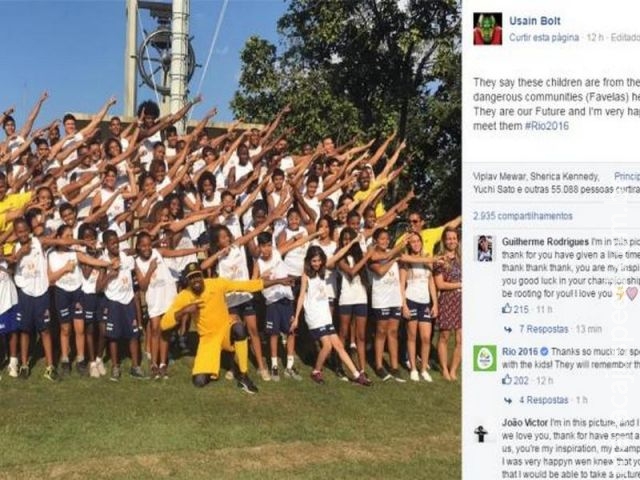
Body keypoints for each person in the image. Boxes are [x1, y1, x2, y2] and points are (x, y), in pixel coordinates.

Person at [160, 262, 292, 394]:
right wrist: (184, 310)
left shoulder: (216, 284)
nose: (195, 280)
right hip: (208, 339)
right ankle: (223, 363)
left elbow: (247, 285)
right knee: (199, 381)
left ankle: (243, 376)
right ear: (188, 280)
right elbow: (164, 324)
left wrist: (278, 281)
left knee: (239, 328)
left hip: (225, 330)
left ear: (202, 275)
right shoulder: (185, 295)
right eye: (191, 277)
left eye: (197, 276)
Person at [291, 246, 371, 386]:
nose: (317, 263)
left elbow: (337, 255)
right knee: (327, 346)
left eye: (319, 260)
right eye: (314, 261)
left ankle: (357, 375)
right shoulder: (306, 276)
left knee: (339, 345)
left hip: (324, 314)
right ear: (309, 261)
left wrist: (352, 242)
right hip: (314, 316)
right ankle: (316, 371)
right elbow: (302, 296)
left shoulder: (324, 270)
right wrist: (297, 317)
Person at [98, 230, 145, 381]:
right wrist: (109, 275)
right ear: (105, 245)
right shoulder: (104, 261)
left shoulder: (126, 258)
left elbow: (134, 269)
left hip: (128, 300)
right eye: (112, 243)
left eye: (117, 242)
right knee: (113, 337)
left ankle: (135, 366)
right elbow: (98, 288)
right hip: (113, 302)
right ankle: (115, 367)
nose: (116, 245)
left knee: (133, 335)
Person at [400, 232, 437, 382]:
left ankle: (423, 369)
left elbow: (431, 283)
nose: (416, 244)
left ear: (421, 242)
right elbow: (401, 285)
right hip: (411, 300)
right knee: (412, 336)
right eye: (413, 242)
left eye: (418, 241)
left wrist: (435, 303)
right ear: (409, 244)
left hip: (425, 302)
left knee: (426, 337)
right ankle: (413, 368)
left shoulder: (428, 259)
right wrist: (404, 305)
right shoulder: (406, 261)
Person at [433, 227, 462, 381]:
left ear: (457, 240)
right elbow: (440, 285)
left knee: (461, 339)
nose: (452, 241)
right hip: (447, 300)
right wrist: (460, 284)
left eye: (454, 238)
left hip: (462, 302)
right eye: (449, 238)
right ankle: (444, 368)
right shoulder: (440, 259)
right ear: (444, 241)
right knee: (444, 336)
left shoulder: (462, 258)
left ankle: (453, 370)